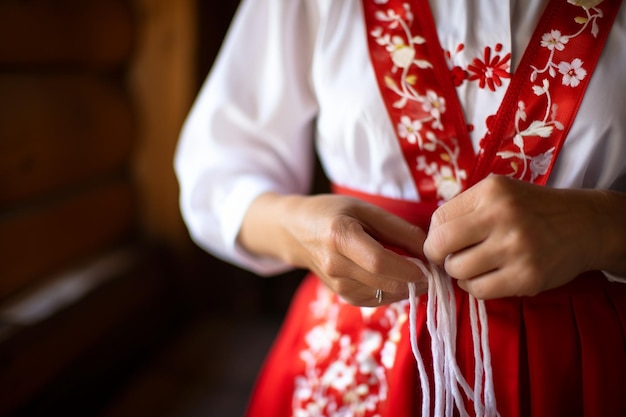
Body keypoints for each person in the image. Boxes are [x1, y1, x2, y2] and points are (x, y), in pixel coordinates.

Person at [174, 0, 626, 416]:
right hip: (356, 361)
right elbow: (218, 169)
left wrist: (604, 228)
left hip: (578, 370)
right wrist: (299, 230)